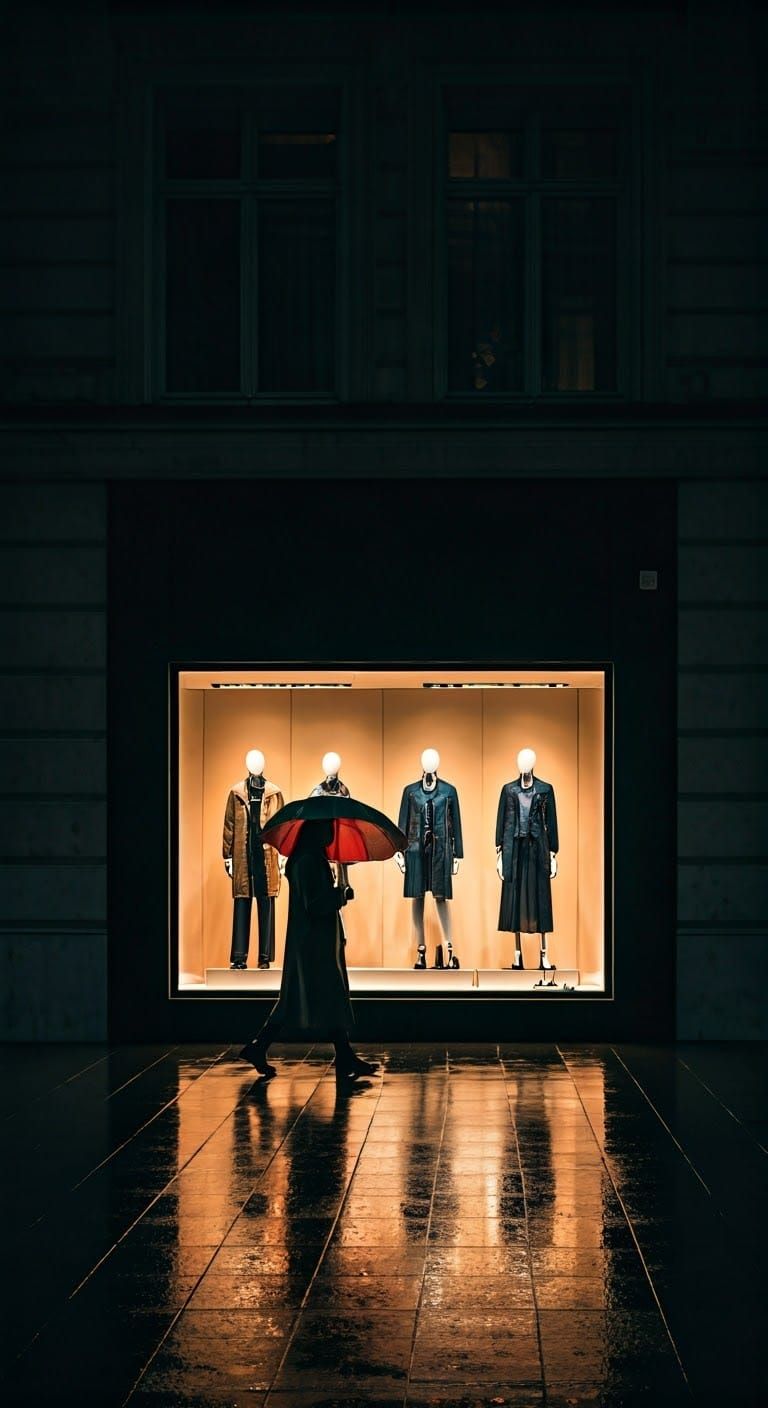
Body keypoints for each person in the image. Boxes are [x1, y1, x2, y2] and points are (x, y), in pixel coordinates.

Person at [238, 819, 378, 1080]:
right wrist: (340, 896)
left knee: (310, 997)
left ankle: (341, 1055)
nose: (330, 833)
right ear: (315, 831)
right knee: (317, 996)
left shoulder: (308, 859)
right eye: (327, 829)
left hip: (313, 941)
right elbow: (314, 904)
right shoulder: (308, 862)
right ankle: (261, 1047)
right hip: (314, 944)